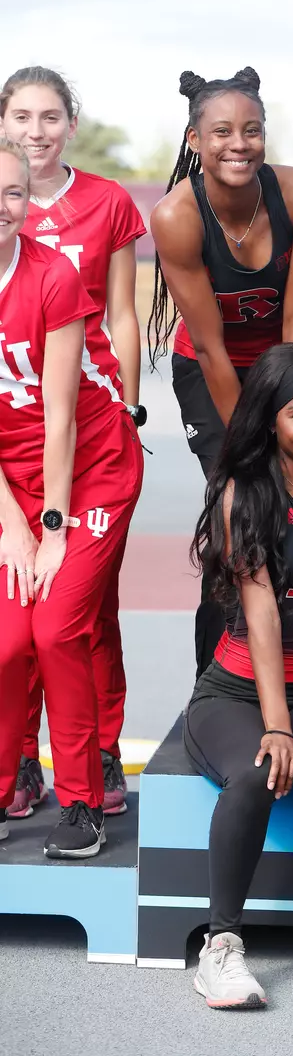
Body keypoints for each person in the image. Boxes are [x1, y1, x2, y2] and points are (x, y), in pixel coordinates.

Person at [184, 343, 293, 1011]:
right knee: (260, 768)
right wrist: (277, 726)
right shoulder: (246, 492)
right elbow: (260, 615)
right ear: (270, 420)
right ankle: (221, 946)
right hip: (237, 693)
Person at [0, 66, 146, 819]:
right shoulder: (6, 207)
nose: (36, 130)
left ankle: (97, 752)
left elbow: (122, 312)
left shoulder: (104, 203)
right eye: (22, 116)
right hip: (17, 439)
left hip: (86, 426)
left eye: (50, 116)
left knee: (82, 615)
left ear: (71, 124)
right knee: (21, 621)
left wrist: (131, 403)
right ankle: (23, 757)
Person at [149, 67, 293, 678]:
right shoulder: (178, 215)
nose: (239, 144)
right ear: (195, 139)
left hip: (285, 361)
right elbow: (211, 346)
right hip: (212, 369)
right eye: (222, 131)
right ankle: (214, 679)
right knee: (240, 506)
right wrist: (253, 445)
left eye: (252, 130)